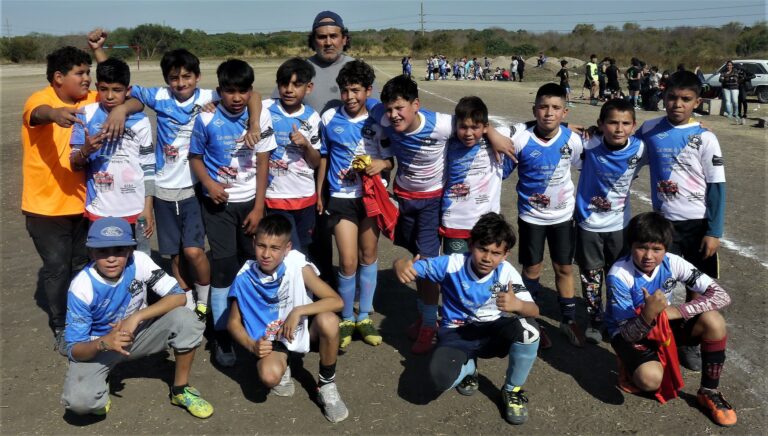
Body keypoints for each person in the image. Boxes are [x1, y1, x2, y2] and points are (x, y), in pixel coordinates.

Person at [88, 28, 261, 320]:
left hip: (194, 187)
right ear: (167, 80)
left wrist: (254, 123)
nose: (181, 83)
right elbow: (121, 86)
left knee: (194, 251)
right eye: (174, 78)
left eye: (186, 77)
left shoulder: (210, 95)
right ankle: (189, 300)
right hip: (163, 190)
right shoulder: (160, 96)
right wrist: (118, 107)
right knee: (175, 255)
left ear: (197, 78)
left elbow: (252, 93)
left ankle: (206, 298)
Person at [370, 75, 513, 354]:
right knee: (417, 256)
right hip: (404, 198)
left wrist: (492, 132)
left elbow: (471, 123)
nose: (393, 115)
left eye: (400, 108)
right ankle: (429, 315)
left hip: (432, 201)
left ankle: (429, 325)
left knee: (428, 262)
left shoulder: (443, 125)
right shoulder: (383, 115)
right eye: (390, 109)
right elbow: (369, 104)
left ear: (416, 105)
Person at [21, 45, 128, 353]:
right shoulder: (41, 100)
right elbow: (38, 115)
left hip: (84, 204)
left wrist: (99, 53)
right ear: (58, 78)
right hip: (45, 208)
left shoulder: (90, 100)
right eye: (80, 73)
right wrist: (55, 114)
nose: (87, 79)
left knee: (82, 265)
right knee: (56, 266)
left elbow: (114, 82)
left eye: (87, 72)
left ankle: (85, 318)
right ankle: (61, 325)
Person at [393, 213, 541, 425]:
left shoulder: (507, 272)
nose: (488, 258)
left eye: (496, 253)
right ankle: (469, 368)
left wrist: (518, 305)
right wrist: (399, 263)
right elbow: (410, 267)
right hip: (456, 333)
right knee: (439, 380)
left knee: (530, 331)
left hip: (492, 331)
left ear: (505, 255)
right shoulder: (451, 264)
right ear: (470, 245)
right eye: (483, 249)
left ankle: (512, 390)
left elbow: (534, 310)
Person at [61, 217, 213, 419]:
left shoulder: (139, 260)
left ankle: (180, 389)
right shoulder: (81, 287)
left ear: (130, 250)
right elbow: (74, 350)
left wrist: (137, 317)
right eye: (103, 252)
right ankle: (101, 379)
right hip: (99, 344)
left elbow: (178, 296)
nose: (112, 258)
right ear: (91, 253)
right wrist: (103, 343)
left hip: (139, 332)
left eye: (119, 250)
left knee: (187, 319)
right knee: (80, 403)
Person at [604, 212, 737, 427]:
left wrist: (677, 311)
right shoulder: (618, 274)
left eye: (656, 249)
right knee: (651, 380)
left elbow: (721, 295)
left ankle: (709, 391)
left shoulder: (674, 262)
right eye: (641, 247)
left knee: (714, 321)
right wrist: (648, 314)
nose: (649, 255)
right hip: (629, 332)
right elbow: (626, 333)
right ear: (630, 245)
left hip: (663, 322)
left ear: (666, 248)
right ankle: (629, 366)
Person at [635, 71, 726, 372]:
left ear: (697, 102)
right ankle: (664, 339)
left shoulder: (705, 137)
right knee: (664, 286)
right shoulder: (648, 129)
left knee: (698, 290)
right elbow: (622, 146)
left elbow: (716, 187)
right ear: (663, 96)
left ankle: (691, 344)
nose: (677, 104)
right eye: (672, 97)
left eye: (686, 99)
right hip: (664, 226)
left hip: (698, 225)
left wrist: (713, 231)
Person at [189, 59, 277, 367]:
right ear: (219, 91)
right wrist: (209, 184)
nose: (236, 97)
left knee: (255, 265)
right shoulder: (206, 119)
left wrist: (258, 205)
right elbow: (195, 157)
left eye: (242, 91)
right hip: (218, 206)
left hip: (250, 204)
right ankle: (221, 334)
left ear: (250, 91)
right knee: (224, 270)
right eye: (229, 91)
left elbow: (264, 161)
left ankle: (254, 324)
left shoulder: (260, 114)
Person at [227, 215, 348, 423]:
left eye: (275, 248)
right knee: (269, 376)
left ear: (287, 248)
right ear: (254, 242)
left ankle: (326, 384)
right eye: (261, 246)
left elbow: (337, 301)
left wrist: (298, 311)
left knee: (330, 321)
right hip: (273, 340)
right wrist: (251, 345)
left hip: (300, 330)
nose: (266, 254)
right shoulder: (244, 276)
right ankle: (283, 364)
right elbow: (232, 322)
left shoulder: (298, 266)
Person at [316, 60, 393, 350]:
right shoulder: (330, 119)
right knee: (347, 261)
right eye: (345, 90)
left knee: (369, 254)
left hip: (371, 197)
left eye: (356, 91)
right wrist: (319, 191)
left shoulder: (379, 121)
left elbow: (390, 159)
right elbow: (324, 156)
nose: (350, 96)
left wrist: (379, 164)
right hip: (341, 197)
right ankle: (347, 317)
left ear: (368, 91)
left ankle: (365, 315)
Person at [509, 83, 584, 348]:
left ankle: (569, 318)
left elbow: (584, 165)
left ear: (565, 112)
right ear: (535, 110)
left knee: (564, 267)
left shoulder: (573, 140)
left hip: (563, 217)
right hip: (531, 217)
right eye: (543, 107)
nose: (548, 113)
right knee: (532, 268)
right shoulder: (520, 139)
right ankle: (531, 319)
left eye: (555, 108)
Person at [574, 99, 645, 343]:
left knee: (618, 276)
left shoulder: (640, 148)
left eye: (625, 123)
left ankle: (617, 319)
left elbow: (666, 133)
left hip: (620, 227)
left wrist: (695, 124)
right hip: (588, 225)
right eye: (612, 122)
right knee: (591, 278)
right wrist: (574, 125)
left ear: (634, 126)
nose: (619, 128)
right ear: (600, 124)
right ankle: (594, 320)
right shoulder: (589, 142)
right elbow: (550, 128)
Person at [69, 57, 155, 231]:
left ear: (128, 90)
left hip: (136, 209)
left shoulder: (141, 121)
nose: (109, 96)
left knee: (137, 257)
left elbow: (148, 167)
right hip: (99, 209)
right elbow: (75, 164)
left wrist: (148, 208)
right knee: (103, 257)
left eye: (117, 90)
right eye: (103, 89)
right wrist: (86, 150)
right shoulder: (85, 115)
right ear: (97, 88)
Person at [441, 96, 515, 255]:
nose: (468, 133)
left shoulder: (499, 136)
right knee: (455, 274)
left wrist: (493, 133)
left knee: (484, 272)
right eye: (463, 127)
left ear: (485, 127)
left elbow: (533, 127)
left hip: (488, 225)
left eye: (475, 127)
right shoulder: (446, 140)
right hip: (455, 222)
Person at [264, 58, 322, 255]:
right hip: (274, 197)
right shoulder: (265, 108)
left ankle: (302, 286)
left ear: (309, 87)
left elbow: (315, 163)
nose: (289, 89)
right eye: (284, 83)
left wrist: (306, 144)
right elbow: (247, 98)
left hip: (305, 197)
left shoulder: (313, 117)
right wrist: (213, 104)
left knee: (302, 250)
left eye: (297, 85)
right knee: (287, 251)